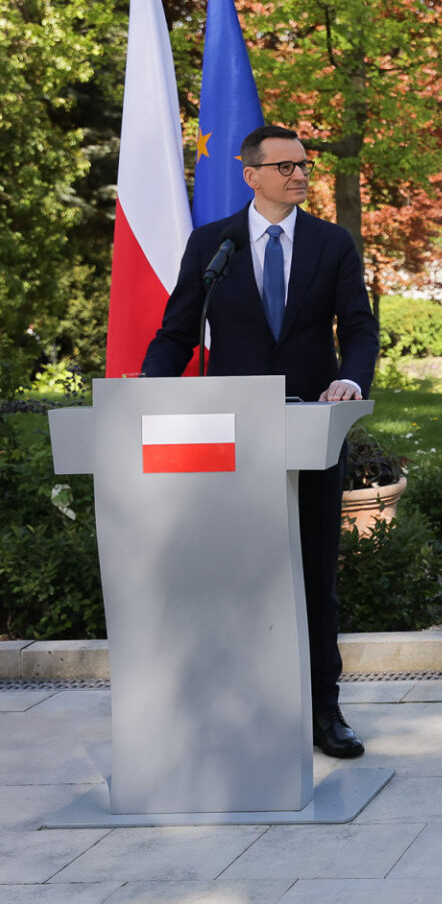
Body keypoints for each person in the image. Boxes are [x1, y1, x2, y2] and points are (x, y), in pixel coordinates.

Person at [141, 124, 379, 758]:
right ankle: (240, 709)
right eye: (286, 167)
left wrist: (350, 380)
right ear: (251, 175)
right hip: (231, 438)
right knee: (239, 574)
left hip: (311, 433)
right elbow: (176, 333)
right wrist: (145, 392)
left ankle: (323, 713)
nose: (300, 174)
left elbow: (358, 328)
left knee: (314, 573)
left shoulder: (331, 244)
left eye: (304, 165)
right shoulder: (211, 244)